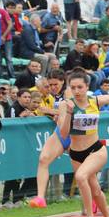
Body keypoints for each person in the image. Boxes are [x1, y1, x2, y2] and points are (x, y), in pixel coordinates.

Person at [58, 71, 109, 217]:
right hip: (75, 154)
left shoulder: (95, 100)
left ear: (87, 87)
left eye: (80, 87)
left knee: (81, 177)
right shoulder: (65, 105)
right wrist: (69, 112)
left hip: (96, 150)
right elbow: (63, 134)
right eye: (73, 88)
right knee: (95, 191)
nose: (76, 91)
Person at [28, 69, 75, 208]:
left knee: (81, 172)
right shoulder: (57, 95)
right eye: (50, 85)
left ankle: (93, 197)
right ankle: (40, 198)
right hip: (60, 133)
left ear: (62, 82)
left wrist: (49, 111)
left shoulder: (68, 92)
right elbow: (61, 113)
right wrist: (56, 116)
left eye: (55, 84)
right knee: (43, 159)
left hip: (74, 135)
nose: (53, 88)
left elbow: (69, 112)